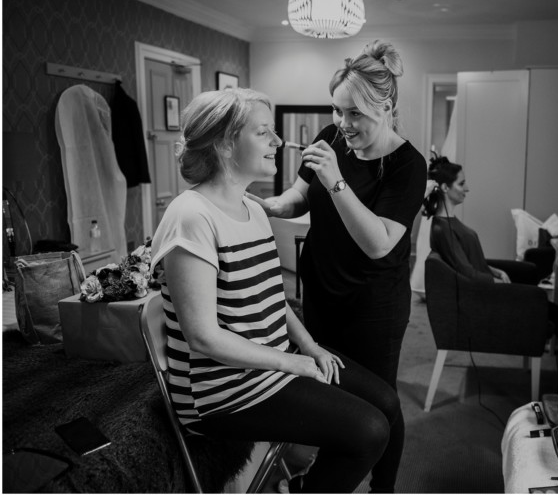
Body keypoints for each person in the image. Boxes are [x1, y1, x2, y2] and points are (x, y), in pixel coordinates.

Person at [150, 88, 401, 494]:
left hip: (267, 366)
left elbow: (273, 298)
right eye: (264, 132)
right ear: (224, 143)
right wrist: (292, 365)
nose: (279, 142)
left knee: (386, 403)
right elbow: (203, 337)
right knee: (369, 431)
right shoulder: (191, 215)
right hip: (221, 391)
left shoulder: (253, 207)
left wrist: (312, 347)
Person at [251, 40, 426, 493]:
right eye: (337, 110)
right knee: (334, 393)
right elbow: (297, 197)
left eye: (354, 115)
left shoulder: (408, 165)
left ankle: (382, 487)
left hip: (374, 307)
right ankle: (328, 476)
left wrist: (337, 180)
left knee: (383, 403)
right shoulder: (329, 138)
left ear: (385, 107)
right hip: (321, 291)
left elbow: (379, 245)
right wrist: (265, 205)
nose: (342, 124)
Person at [422, 154, 558, 381]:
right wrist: (497, 283)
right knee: (550, 310)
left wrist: (494, 270)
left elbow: (468, 262)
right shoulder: (445, 229)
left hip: (487, 289)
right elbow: (467, 272)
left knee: (554, 312)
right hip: (483, 299)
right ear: (444, 188)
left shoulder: (449, 222)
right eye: (461, 183)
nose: (467, 188)